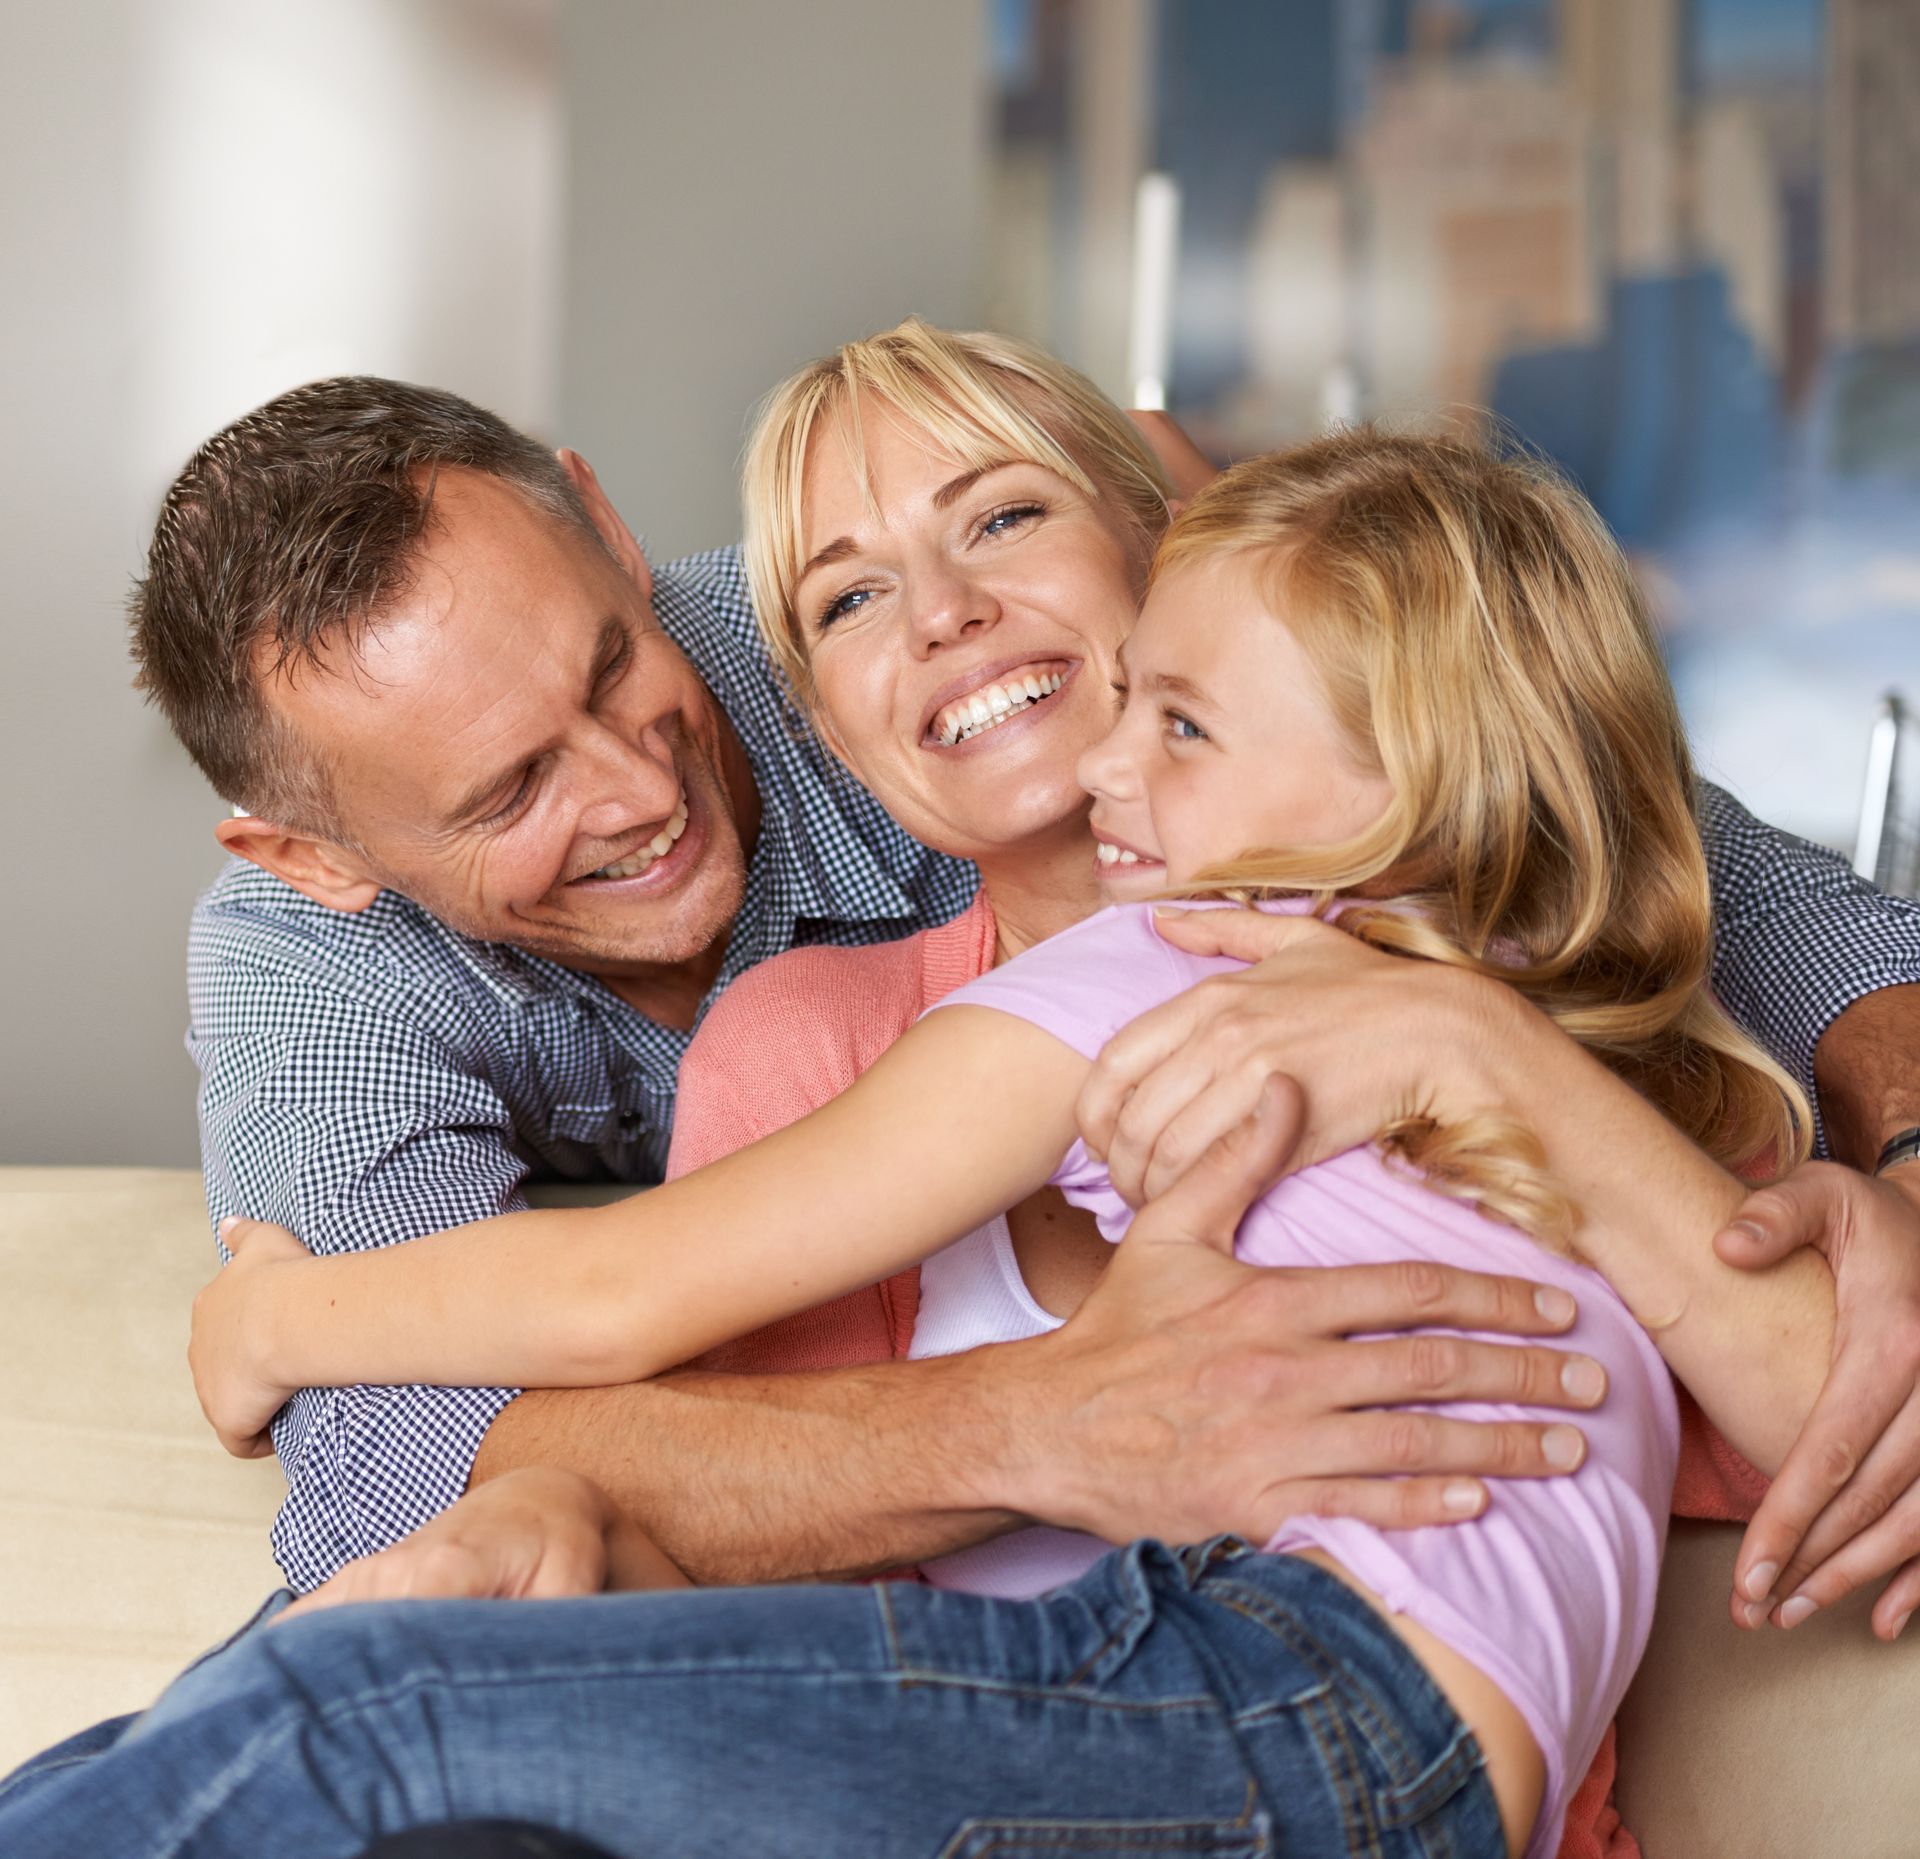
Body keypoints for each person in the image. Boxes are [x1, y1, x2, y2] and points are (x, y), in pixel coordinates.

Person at [0, 421, 1858, 1859]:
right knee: (279, 1724)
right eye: (510, 790)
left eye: (1175, 716)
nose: (1093, 767)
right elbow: (418, 1494)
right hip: (1341, 1739)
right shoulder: (1489, 998)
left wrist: (270, 1326)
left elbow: (625, 1290)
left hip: (1283, 1693)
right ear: (313, 856)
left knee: (343, 1720)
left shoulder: (1196, 964)